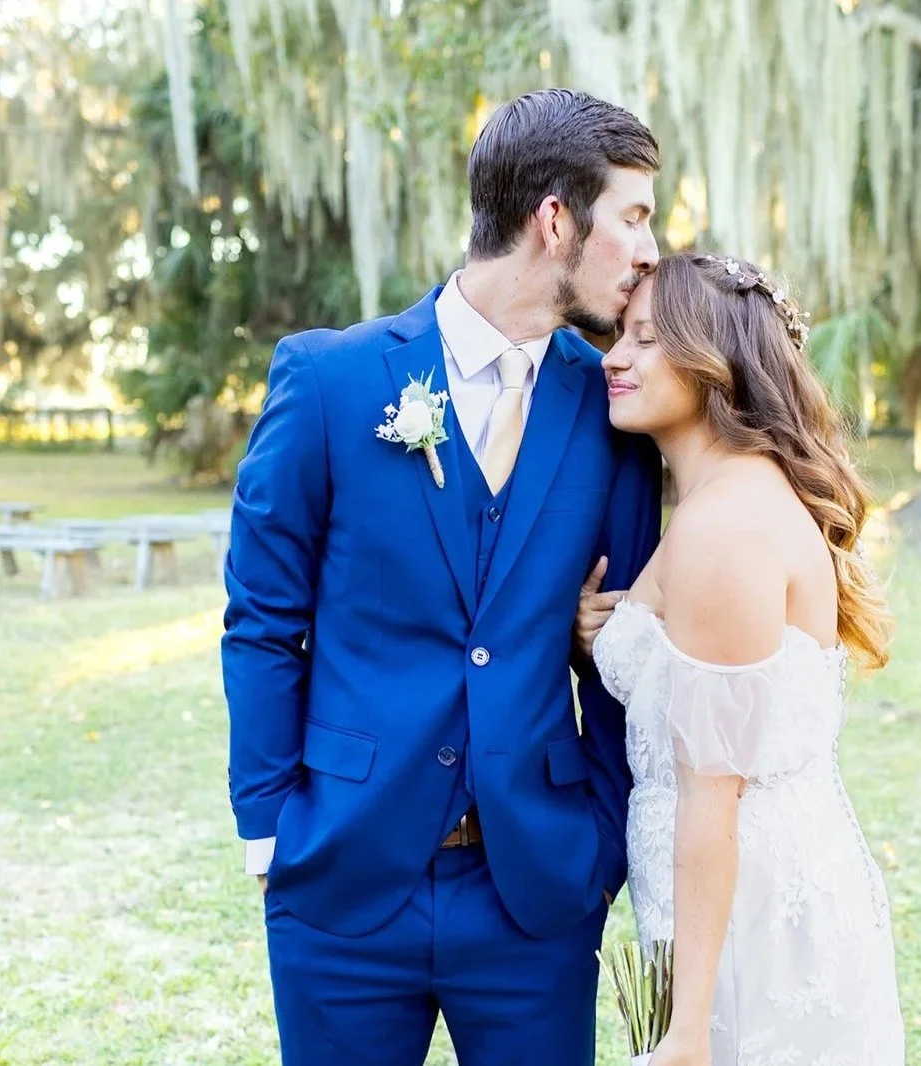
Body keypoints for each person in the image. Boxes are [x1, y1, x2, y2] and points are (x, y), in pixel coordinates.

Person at [220, 89, 662, 1066]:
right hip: (340, 882)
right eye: (633, 216)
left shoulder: (616, 413)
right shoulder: (330, 382)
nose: (648, 251)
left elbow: (630, 647)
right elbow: (260, 621)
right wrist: (268, 833)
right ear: (556, 218)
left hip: (537, 891)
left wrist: (596, 850)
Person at [577, 252, 906, 1064]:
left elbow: (711, 794)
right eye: (620, 333)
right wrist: (600, 634)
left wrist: (687, 1032)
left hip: (746, 931)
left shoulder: (723, 525)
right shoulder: (724, 498)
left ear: (714, 361)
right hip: (731, 903)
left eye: (648, 339)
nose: (615, 356)